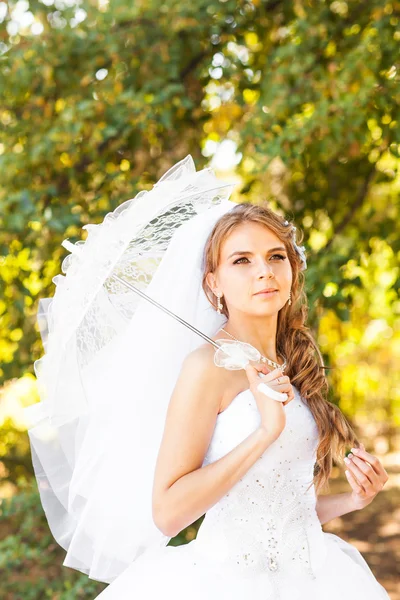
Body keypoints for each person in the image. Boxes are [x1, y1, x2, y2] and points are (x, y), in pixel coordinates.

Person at [94, 201, 390, 599]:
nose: (264, 271)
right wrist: (266, 432)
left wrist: (354, 499)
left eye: (275, 256)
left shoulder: (291, 361)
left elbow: (283, 512)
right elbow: (167, 514)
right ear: (214, 283)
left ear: (292, 269)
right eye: (242, 260)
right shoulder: (206, 367)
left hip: (314, 581)